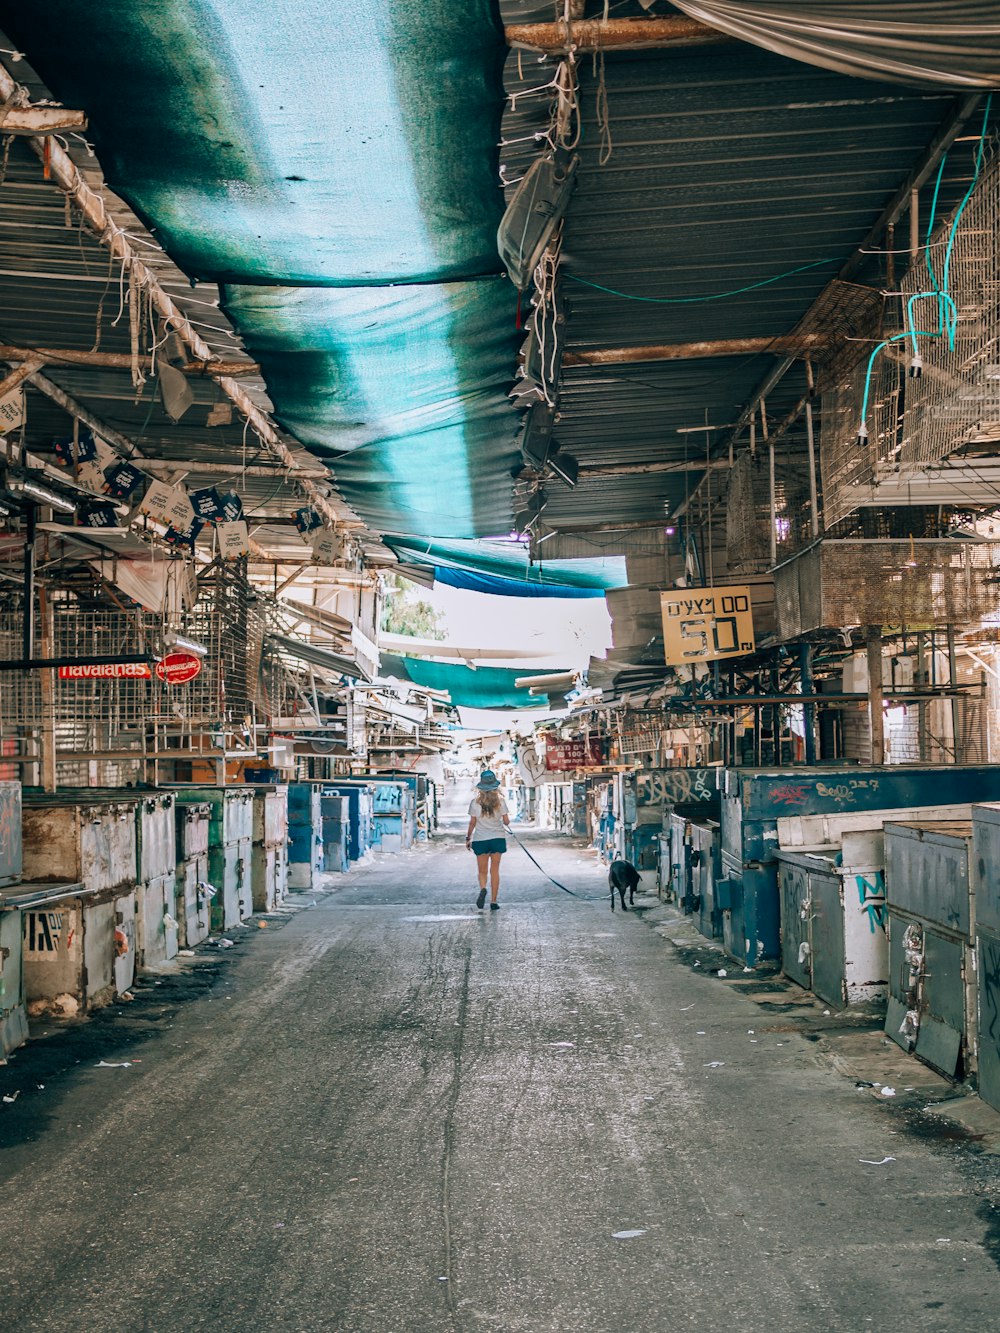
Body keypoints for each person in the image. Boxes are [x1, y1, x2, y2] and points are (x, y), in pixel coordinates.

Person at [466, 770, 511, 911]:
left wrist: (468, 838)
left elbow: (472, 823)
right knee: (495, 871)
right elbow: (506, 821)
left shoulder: (474, 803)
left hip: (481, 839)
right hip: (498, 838)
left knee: (482, 871)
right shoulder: (501, 802)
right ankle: (493, 901)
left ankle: (483, 888)